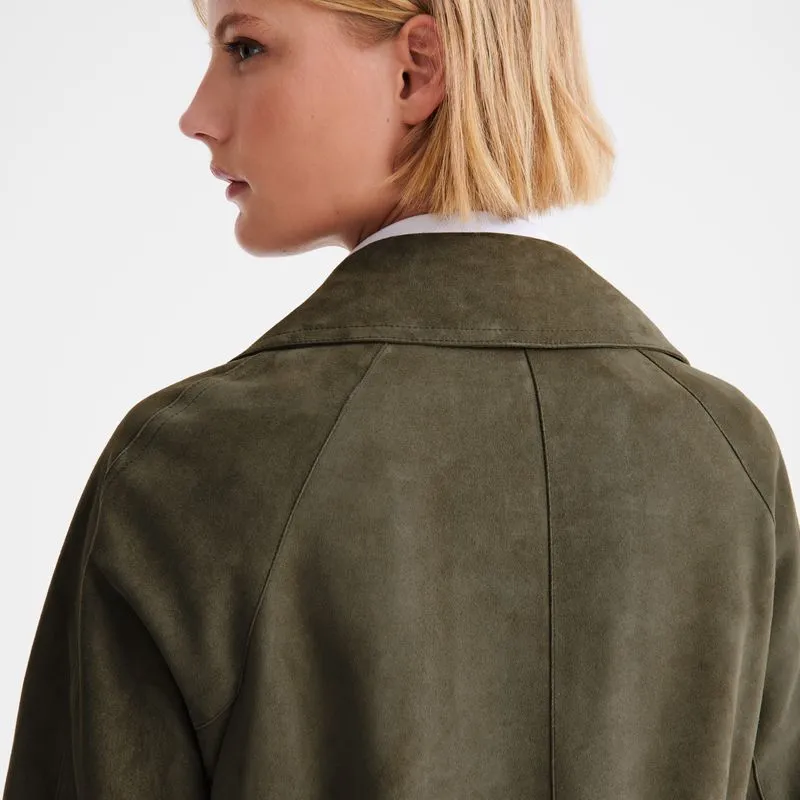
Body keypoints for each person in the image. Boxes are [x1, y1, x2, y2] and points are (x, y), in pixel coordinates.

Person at [3, 0, 798, 798]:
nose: (196, 115)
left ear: (418, 69)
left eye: (244, 48)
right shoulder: (728, 457)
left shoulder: (185, 465)